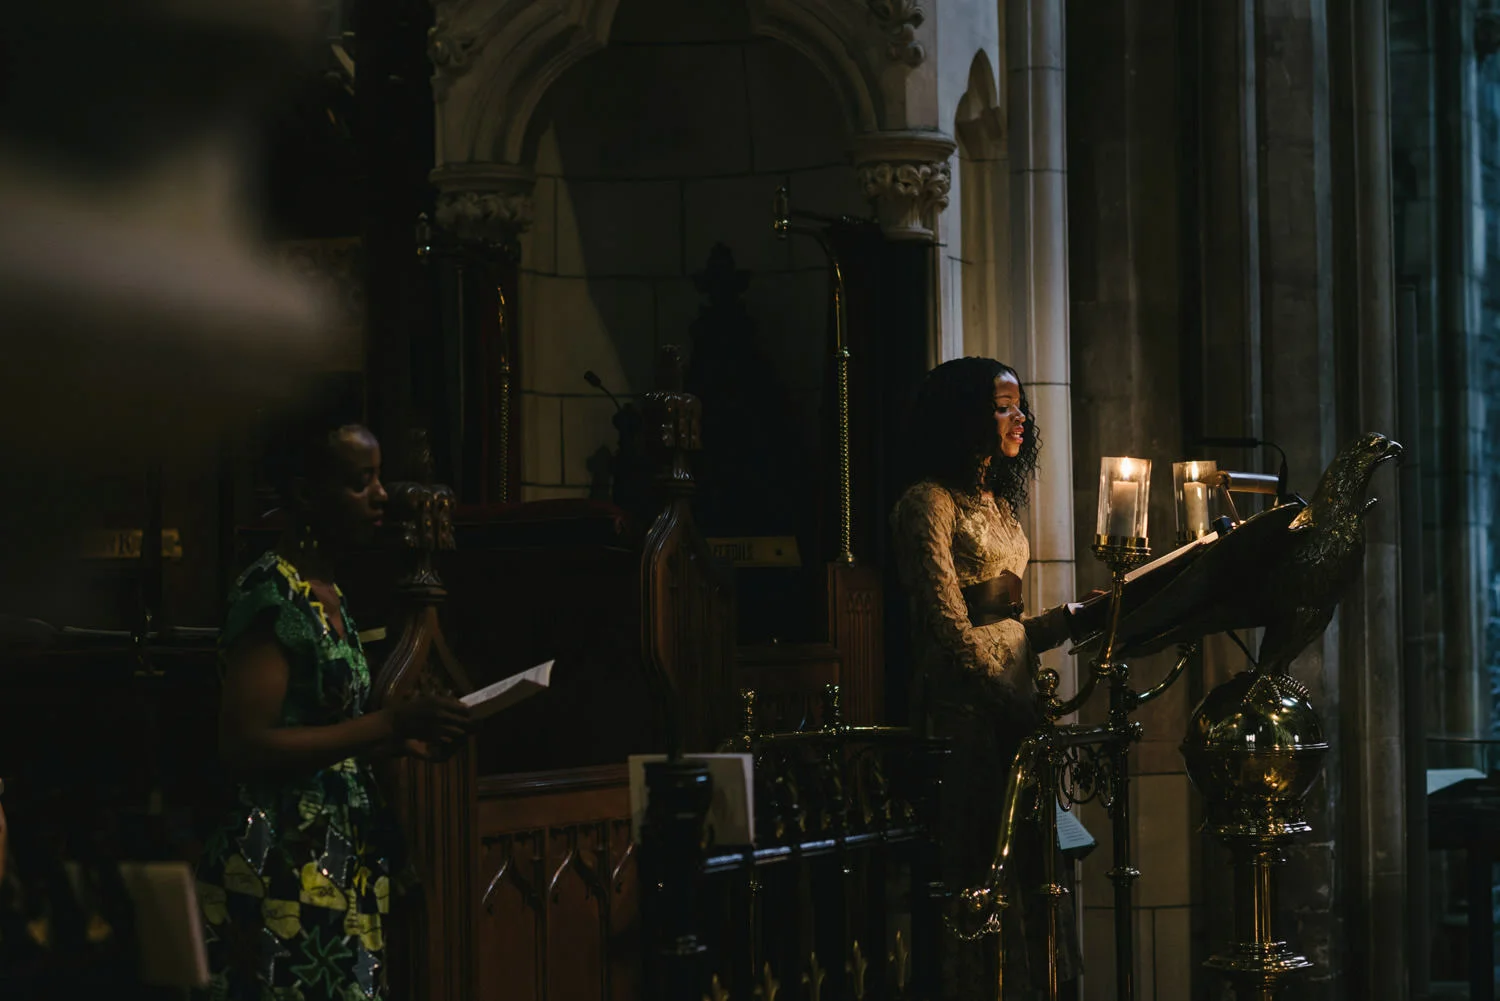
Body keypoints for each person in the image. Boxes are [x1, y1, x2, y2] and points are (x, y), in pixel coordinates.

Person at [195, 413, 472, 1001]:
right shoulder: (274, 593)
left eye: (379, 478)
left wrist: (397, 738)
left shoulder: (329, 589)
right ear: (306, 493)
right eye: (360, 482)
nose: (381, 496)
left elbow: (327, 730)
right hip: (278, 866)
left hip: (336, 859)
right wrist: (385, 723)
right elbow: (244, 744)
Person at [890, 357, 1084, 1000]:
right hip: (963, 713)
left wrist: (1073, 620)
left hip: (1016, 705)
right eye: (1003, 406)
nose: (1019, 418)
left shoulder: (999, 504)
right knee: (978, 870)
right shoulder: (928, 501)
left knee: (1032, 870)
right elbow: (948, 628)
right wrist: (1009, 704)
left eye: (1019, 406)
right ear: (965, 416)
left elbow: (1014, 624)